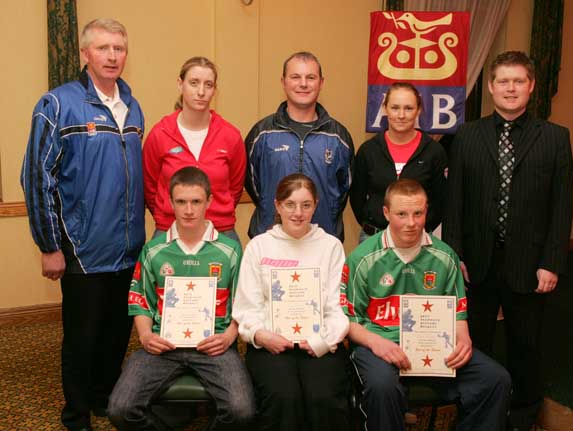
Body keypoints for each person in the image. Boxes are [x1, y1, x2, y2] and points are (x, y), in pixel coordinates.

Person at [20, 19, 145, 431]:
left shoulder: (133, 106)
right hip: (81, 250)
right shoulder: (57, 105)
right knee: (81, 340)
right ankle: (75, 415)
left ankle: (101, 398)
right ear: (84, 54)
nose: (112, 56)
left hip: (128, 249)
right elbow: (36, 177)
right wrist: (48, 244)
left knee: (115, 336)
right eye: (104, 48)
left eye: (119, 49)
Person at [443, 51, 573, 430]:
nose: (511, 88)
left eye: (519, 81)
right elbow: (456, 204)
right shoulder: (467, 135)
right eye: (503, 81)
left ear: (531, 86)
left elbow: (561, 206)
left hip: (531, 264)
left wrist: (552, 261)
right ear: (491, 86)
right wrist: (454, 257)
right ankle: (476, 411)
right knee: (474, 343)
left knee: (526, 345)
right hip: (476, 261)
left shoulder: (555, 138)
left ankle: (522, 417)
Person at [343, 178, 511, 431]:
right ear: (386, 213)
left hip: (433, 345)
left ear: (427, 211)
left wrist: (463, 340)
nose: (411, 223)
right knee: (382, 386)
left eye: (418, 213)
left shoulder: (445, 257)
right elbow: (349, 321)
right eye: (402, 214)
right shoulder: (362, 258)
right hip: (379, 345)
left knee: (496, 379)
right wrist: (378, 344)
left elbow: (458, 314)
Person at [107, 167, 254, 430]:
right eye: (181, 202)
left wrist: (230, 336)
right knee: (120, 409)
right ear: (170, 202)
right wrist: (145, 336)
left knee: (241, 411)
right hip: (163, 345)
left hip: (214, 346)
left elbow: (244, 304)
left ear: (209, 202)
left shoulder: (230, 251)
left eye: (196, 201)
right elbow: (140, 298)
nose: (189, 210)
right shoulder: (154, 250)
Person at [233, 173, 350, 431]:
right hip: (271, 344)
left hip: (319, 344)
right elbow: (247, 306)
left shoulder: (330, 247)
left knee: (323, 397)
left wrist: (322, 342)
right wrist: (261, 336)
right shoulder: (259, 247)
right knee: (284, 398)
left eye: (306, 205)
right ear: (277, 206)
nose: (298, 213)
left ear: (316, 205)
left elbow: (338, 307)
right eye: (290, 204)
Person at [245, 51, 354, 241]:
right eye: (295, 77)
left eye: (310, 77)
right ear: (283, 81)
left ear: (321, 82)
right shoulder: (262, 133)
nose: (303, 84)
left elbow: (344, 189)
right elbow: (252, 184)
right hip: (271, 238)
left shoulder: (338, 137)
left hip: (323, 240)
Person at [143, 56, 246, 242]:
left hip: (220, 233)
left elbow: (235, 187)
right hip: (170, 231)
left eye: (208, 85)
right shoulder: (160, 134)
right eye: (194, 83)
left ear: (215, 90)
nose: (201, 91)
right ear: (180, 84)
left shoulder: (230, 136)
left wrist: (216, 212)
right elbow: (150, 187)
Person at [350, 82, 446, 241]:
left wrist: (419, 228)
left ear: (419, 110)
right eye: (395, 108)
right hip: (373, 238)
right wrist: (373, 223)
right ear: (384, 109)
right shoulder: (368, 150)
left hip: (418, 239)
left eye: (408, 108)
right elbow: (357, 198)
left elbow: (440, 201)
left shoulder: (434, 152)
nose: (401, 115)